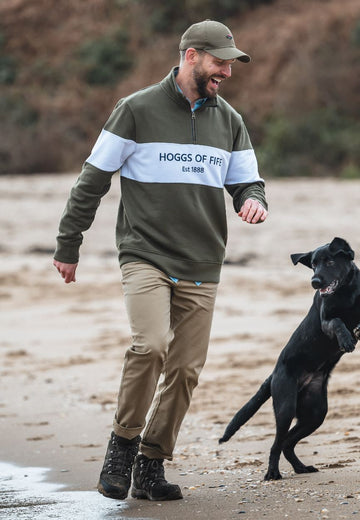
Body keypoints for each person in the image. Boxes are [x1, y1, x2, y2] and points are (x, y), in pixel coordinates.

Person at [53, 19, 268, 502]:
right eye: (220, 62)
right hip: (145, 253)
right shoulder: (135, 110)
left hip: (202, 261)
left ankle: (151, 461)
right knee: (150, 345)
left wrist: (253, 200)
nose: (227, 73)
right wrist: (70, 245)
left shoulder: (229, 120)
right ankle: (122, 445)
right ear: (190, 55)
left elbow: (247, 181)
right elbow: (92, 181)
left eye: (231, 63)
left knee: (186, 369)